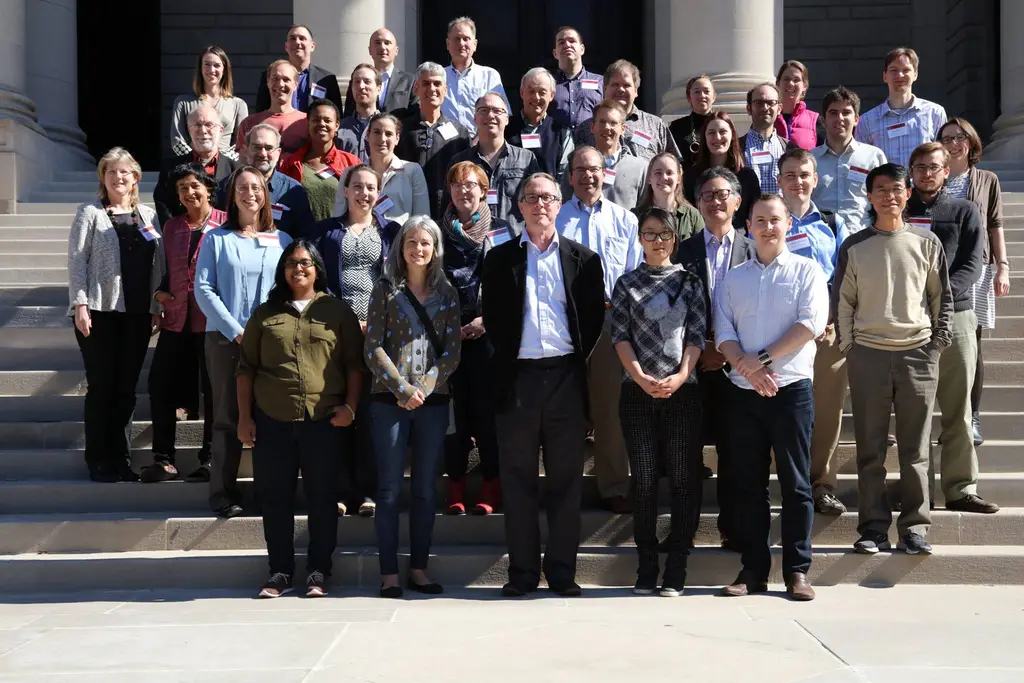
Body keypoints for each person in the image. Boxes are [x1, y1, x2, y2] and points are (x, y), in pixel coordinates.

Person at [481, 173, 605, 597]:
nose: (539, 205)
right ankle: (522, 574)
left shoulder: (584, 260)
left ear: (560, 204)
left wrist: (572, 365)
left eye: (548, 198)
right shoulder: (498, 261)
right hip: (518, 380)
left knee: (566, 481)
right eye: (531, 198)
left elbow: (592, 321)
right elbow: (496, 322)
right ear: (519, 206)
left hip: (566, 379)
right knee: (517, 480)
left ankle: (562, 574)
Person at [833, 163, 953, 556]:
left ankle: (915, 527)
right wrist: (851, 346)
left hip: (917, 354)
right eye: (880, 189)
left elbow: (941, 299)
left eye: (896, 189)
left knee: (916, 448)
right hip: (868, 355)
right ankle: (872, 528)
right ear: (869, 197)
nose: (889, 195)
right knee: (870, 450)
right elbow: (844, 302)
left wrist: (936, 343)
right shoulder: (854, 245)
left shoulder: (926, 243)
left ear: (907, 194)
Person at [715, 193, 828, 601]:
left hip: (791, 391)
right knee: (748, 484)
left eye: (775, 220)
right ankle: (753, 570)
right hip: (744, 395)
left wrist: (760, 361)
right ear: (749, 226)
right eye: (760, 220)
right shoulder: (734, 277)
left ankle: (798, 571)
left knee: (796, 484)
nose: (767, 227)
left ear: (788, 225)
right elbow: (723, 332)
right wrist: (749, 370)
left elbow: (810, 324)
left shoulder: (807, 271)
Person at [237, 240, 362, 600]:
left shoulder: (338, 312)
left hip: (323, 422)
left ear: (318, 269)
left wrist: (350, 409)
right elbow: (246, 369)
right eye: (291, 263)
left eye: (306, 263)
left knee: (323, 499)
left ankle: (319, 571)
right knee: (275, 498)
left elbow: (355, 365)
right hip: (272, 420)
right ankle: (279, 571)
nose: (299, 269)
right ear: (283, 271)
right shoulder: (265, 314)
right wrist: (245, 418)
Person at [365, 215, 462, 598]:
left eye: (425, 243)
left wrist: (422, 387)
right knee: (388, 490)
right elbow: (372, 347)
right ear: (400, 247)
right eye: (411, 242)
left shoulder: (448, 293)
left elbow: (452, 352)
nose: (418, 249)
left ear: (435, 248)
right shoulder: (385, 289)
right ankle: (389, 573)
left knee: (424, 489)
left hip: (433, 401)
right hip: (388, 401)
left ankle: (419, 568)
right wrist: (402, 388)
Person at [611, 207, 706, 597]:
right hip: (637, 392)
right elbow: (619, 336)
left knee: (684, 480)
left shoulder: (690, 281)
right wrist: (641, 378)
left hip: (682, 392)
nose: (657, 240)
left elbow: (697, 335)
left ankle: (677, 566)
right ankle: (646, 566)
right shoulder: (626, 283)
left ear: (674, 238)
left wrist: (682, 375)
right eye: (649, 233)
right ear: (640, 238)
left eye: (664, 233)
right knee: (646, 481)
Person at [195, 167, 294, 518]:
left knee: (270, 418)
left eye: (256, 187)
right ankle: (223, 494)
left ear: (266, 195)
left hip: (271, 343)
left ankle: (271, 492)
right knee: (226, 416)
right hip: (226, 341)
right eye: (242, 187)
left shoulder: (282, 241)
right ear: (232, 194)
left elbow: (290, 291)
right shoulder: (216, 239)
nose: (249, 193)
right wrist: (236, 330)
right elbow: (203, 289)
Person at [68, 148, 164, 483]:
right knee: (102, 386)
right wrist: (80, 303)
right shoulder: (90, 213)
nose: (118, 178)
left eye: (125, 172)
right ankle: (98, 460)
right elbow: (77, 261)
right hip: (98, 312)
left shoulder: (149, 215)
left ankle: (121, 460)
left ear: (136, 178)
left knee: (125, 388)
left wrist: (156, 306)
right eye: (112, 173)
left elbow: (158, 266)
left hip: (137, 314)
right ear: (103, 178)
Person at [906, 142, 993, 513]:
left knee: (957, 408)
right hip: (908, 321)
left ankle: (960, 488)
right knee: (915, 412)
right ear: (911, 171)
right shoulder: (899, 211)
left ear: (947, 171)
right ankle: (917, 491)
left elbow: (973, 263)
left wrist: (939, 298)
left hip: (956, 317)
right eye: (921, 166)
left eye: (935, 167)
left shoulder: (965, 210)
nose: (928, 173)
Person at [557, 146, 642, 514]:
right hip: (566, 322)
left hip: (610, 319)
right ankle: (566, 489)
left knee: (609, 409)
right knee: (567, 410)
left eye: (594, 169)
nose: (588, 176)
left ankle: (613, 486)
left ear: (604, 173)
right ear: (570, 176)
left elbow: (634, 274)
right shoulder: (556, 218)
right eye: (580, 170)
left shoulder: (625, 220)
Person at [312, 164, 400, 518]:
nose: (364, 193)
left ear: (378, 193)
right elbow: (318, 281)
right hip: (337, 333)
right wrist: (347, 320)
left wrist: (374, 321)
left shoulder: (392, 233)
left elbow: (397, 281)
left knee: (369, 413)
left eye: (371, 187)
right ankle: (337, 489)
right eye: (357, 187)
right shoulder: (325, 232)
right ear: (345, 191)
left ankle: (365, 491)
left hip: (378, 336)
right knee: (336, 410)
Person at [675, 167, 757, 543]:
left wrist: (727, 351)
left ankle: (733, 530)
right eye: (707, 195)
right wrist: (702, 347)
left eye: (723, 194)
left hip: (740, 366)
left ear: (737, 201)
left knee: (735, 452)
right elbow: (674, 307)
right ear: (696, 202)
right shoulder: (684, 248)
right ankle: (683, 531)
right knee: (686, 454)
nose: (715, 201)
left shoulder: (754, 249)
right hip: (692, 365)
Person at [777, 148, 851, 516]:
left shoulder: (833, 224)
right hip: (779, 334)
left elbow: (844, 278)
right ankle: (787, 481)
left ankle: (822, 484)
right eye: (790, 175)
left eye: (804, 174)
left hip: (825, 333)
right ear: (779, 181)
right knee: (783, 411)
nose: (798, 182)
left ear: (815, 178)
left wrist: (834, 319)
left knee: (826, 410)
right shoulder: (769, 221)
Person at [440, 161, 515, 516]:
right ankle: (455, 485)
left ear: (484, 190)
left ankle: (490, 484)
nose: (463, 191)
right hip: (448, 337)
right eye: (456, 186)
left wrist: (488, 319)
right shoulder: (438, 232)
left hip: (489, 336)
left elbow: (512, 284)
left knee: (487, 415)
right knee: (455, 417)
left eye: (470, 185)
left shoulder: (500, 231)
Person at [142, 163, 225, 484]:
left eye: (194, 186)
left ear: (208, 189)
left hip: (211, 322)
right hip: (176, 320)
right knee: (160, 385)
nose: (189, 193)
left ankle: (209, 459)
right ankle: (164, 459)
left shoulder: (223, 224)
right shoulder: (172, 227)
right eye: (182, 189)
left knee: (213, 391)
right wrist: (159, 294)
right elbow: (162, 271)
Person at [938, 117, 1011, 446]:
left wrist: (1004, 266)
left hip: (976, 269)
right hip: (936, 269)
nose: (953, 143)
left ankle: (973, 417)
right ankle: (944, 418)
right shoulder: (933, 179)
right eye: (946, 138)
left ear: (971, 143)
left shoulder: (986, 179)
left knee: (971, 345)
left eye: (959, 137)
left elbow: (995, 224)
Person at [445, 93, 541, 223]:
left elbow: (535, 202)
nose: (490, 115)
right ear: (475, 118)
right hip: (472, 239)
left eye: (497, 111)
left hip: (514, 239)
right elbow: (449, 207)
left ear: (507, 119)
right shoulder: (459, 161)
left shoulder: (526, 159)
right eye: (484, 110)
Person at [396, 62, 472, 219]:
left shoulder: (460, 134)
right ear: (416, 88)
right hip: (407, 210)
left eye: (437, 84)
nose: (432, 89)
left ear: (445, 90)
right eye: (426, 83)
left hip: (447, 213)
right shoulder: (401, 130)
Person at [811, 87, 888, 235]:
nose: (839, 118)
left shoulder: (874, 157)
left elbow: (885, 200)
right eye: (833, 113)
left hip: (863, 241)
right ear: (823, 120)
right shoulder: (810, 160)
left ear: (856, 119)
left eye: (846, 113)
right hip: (821, 241)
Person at [855, 47, 947, 167]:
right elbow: (861, 164)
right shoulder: (866, 121)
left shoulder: (934, 113)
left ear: (915, 74)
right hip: (885, 185)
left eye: (906, 70)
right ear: (884, 76)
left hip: (924, 184)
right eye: (894, 70)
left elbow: (944, 158)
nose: (900, 75)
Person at [333, 113, 429, 225]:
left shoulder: (413, 171)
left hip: (399, 240)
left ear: (397, 139)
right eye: (377, 132)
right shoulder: (350, 173)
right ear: (368, 136)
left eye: (388, 134)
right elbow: (338, 219)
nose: (382, 139)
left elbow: (422, 220)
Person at [223, 123, 316, 240]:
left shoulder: (293, 191)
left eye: (268, 148)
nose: (262, 154)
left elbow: (304, 236)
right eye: (256, 147)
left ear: (278, 153)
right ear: (246, 150)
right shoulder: (228, 186)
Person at [573, 60, 679, 161]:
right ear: (605, 89)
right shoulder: (586, 128)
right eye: (615, 85)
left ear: (636, 91)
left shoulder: (656, 125)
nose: (621, 89)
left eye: (626, 85)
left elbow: (674, 165)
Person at [155, 106, 240, 226]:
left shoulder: (236, 170)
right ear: (189, 130)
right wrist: (175, 233)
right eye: (197, 125)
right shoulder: (171, 168)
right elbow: (164, 206)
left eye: (209, 124)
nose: (203, 130)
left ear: (221, 130)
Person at [278, 98, 360, 221]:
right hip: (301, 236)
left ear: (337, 125)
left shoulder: (352, 163)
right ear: (308, 124)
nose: (322, 124)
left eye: (327, 120)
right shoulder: (291, 163)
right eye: (316, 120)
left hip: (337, 235)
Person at [684, 112, 761, 231]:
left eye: (723, 132)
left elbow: (754, 216)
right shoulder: (691, 176)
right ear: (704, 137)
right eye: (711, 133)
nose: (717, 137)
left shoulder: (747, 176)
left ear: (732, 135)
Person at [170, 46, 248, 160]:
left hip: (226, 171)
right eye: (207, 64)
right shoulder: (183, 102)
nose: (211, 70)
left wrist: (219, 162)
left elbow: (241, 143)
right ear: (200, 68)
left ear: (224, 70)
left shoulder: (238, 105)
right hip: (192, 169)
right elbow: (177, 140)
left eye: (217, 65)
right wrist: (197, 162)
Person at [442, 16, 509, 134]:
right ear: (448, 44)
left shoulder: (489, 76)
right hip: (445, 145)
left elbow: (502, 113)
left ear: (475, 44)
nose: (461, 43)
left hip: (481, 144)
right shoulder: (438, 77)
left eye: (466, 39)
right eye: (456, 39)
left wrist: (478, 142)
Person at [255, 25, 342, 114]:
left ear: (312, 46)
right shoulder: (270, 76)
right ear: (286, 46)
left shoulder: (327, 79)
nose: (297, 42)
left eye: (302, 38)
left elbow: (336, 115)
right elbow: (261, 111)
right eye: (292, 38)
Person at [505, 67, 574, 179]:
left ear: (551, 96)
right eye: (531, 91)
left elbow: (564, 175)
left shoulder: (561, 131)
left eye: (542, 92)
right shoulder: (505, 128)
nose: (536, 97)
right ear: (522, 93)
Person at [236, 61, 309, 156]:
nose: (280, 84)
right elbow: (242, 161)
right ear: (268, 82)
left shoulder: (306, 122)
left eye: (286, 80)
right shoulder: (250, 123)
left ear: (296, 85)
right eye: (275, 79)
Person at [588, 99, 647, 210]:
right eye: (602, 122)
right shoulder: (578, 165)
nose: (607, 127)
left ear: (623, 129)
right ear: (592, 126)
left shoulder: (640, 169)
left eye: (613, 123)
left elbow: (645, 211)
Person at [632, 152, 705, 242]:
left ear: (679, 179)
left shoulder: (692, 216)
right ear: (649, 178)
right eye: (658, 173)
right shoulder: (634, 216)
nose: (664, 177)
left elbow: (702, 250)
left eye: (669, 173)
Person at [342, 28, 415, 117]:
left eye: (387, 43)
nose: (382, 47)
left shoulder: (410, 81)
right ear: (370, 50)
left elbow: (414, 116)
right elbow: (349, 114)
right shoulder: (358, 81)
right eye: (377, 43)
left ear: (396, 50)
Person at [741, 82, 794, 196]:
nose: (765, 108)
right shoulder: (736, 148)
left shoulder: (791, 149)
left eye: (771, 103)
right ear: (749, 109)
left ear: (779, 109)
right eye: (759, 102)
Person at [551, 26, 603, 128]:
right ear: (555, 53)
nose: (567, 45)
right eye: (561, 42)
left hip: (591, 143)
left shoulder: (601, 82)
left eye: (572, 41)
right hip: (557, 143)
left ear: (582, 49)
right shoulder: (547, 83)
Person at [668, 74, 716, 172]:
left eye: (706, 91)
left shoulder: (723, 125)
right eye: (697, 92)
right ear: (689, 98)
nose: (702, 95)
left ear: (714, 97)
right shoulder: (677, 127)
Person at [338, 64, 381, 162]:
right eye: (357, 82)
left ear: (379, 89)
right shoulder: (340, 128)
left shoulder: (389, 128)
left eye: (367, 82)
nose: (361, 86)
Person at [777, 60, 819, 150]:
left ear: (804, 86)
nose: (791, 83)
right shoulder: (768, 118)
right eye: (786, 79)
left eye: (796, 80)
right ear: (778, 83)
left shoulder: (815, 121)